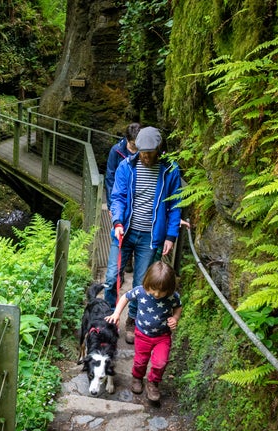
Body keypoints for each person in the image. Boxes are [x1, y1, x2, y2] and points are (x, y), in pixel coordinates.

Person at [102, 126, 182, 345]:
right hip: (125, 231)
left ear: (158, 149)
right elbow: (117, 196)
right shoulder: (126, 166)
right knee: (111, 278)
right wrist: (117, 221)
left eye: (149, 152)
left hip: (151, 236)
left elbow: (175, 206)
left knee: (141, 284)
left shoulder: (170, 170)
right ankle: (109, 317)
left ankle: (132, 321)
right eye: (142, 152)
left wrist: (171, 236)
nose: (145, 156)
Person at [105, 261, 182, 402]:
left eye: (162, 291)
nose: (157, 294)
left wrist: (175, 317)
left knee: (161, 362)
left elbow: (178, 307)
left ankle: (153, 383)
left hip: (162, 336)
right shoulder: (140, 291)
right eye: (154, 289)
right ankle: (137, 378)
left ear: (170, 288)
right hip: (142, 335)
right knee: (140, 361)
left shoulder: (172, 296)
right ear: (147, 282)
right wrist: (116, 314)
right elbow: (125, 297)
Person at [104, 123, 141, 205]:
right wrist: (111, 204)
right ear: (127, 139)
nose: (136, 147)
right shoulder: (116, 150)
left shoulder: (144, 151)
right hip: (120, 197)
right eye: (133, 144)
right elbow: (110, 178)